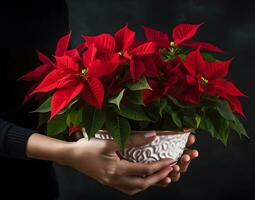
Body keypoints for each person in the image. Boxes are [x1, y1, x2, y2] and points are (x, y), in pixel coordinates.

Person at [0, 1, 199, 199]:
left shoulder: (50, 7)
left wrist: (100, 143)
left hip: (38, 184)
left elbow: (55, 94)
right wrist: (69, 153)